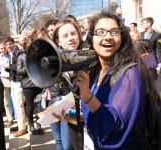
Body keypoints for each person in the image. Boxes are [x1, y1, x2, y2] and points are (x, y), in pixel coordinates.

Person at [72, 11, 154, 149]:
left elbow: (115, 127)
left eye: (114, 31)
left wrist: (87, 96)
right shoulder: (97, 72)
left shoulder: (130, 74)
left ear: (122, 38)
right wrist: (76, 116)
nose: (108, 37)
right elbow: (98, 112)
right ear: (91, 38)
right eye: (101, 32)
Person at [51, 19, 85, 150]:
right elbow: (55, 95)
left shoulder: (92, 57)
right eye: (65, 36)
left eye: (73, 33)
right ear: (58, 42)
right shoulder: (55, 65)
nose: (71, 38)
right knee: (68, 146)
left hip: (93, 115)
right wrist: (67, 111)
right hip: (71, 114)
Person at [16, 36, 43, 135]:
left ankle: (39, 124)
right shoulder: (21, 57)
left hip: (38, 82)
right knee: (30, 106)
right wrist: (28, 66)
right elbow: (19, 71)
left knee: (39, 104)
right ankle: (31, 125)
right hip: (27, 84)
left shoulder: (38, 56)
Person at [3, 37, 27, 137]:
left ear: (13, 43)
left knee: (19, 105)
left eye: (9, 44)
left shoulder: (18, 52)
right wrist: (7, 68)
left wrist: (8, 66)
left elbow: (19, 67)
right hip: (13, 80)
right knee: (16, 105)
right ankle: (20, 125)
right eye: (6, 44)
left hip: (18, 82)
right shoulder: (11, 53)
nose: (8, 46)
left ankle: (22, 128)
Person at [0, 41, 14, 127]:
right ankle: (10, 118)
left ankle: (17, 117)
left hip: (13, 79)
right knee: (6, 101)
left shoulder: (11, 55)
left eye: (4, 48)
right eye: (1, 48)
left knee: (16, 100)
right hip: (3, 79)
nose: (3, 50)